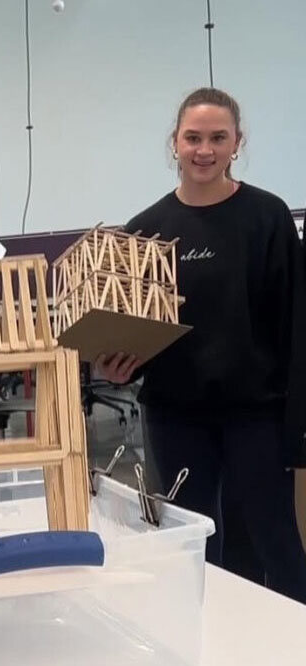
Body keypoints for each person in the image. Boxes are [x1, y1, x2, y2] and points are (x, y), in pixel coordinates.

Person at [97, 87, 306, 603]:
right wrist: (119, 367)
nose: (204, 149)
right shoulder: (145, 231)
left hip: (256, 416)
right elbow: (130, 330)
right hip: (175, 416)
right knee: (189, 543)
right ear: (175, 143)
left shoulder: (268, 218)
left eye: (218, 137)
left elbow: (294, 324)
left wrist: (296, 421)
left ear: (238, 143)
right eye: (193, 137)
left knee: (273, 541)